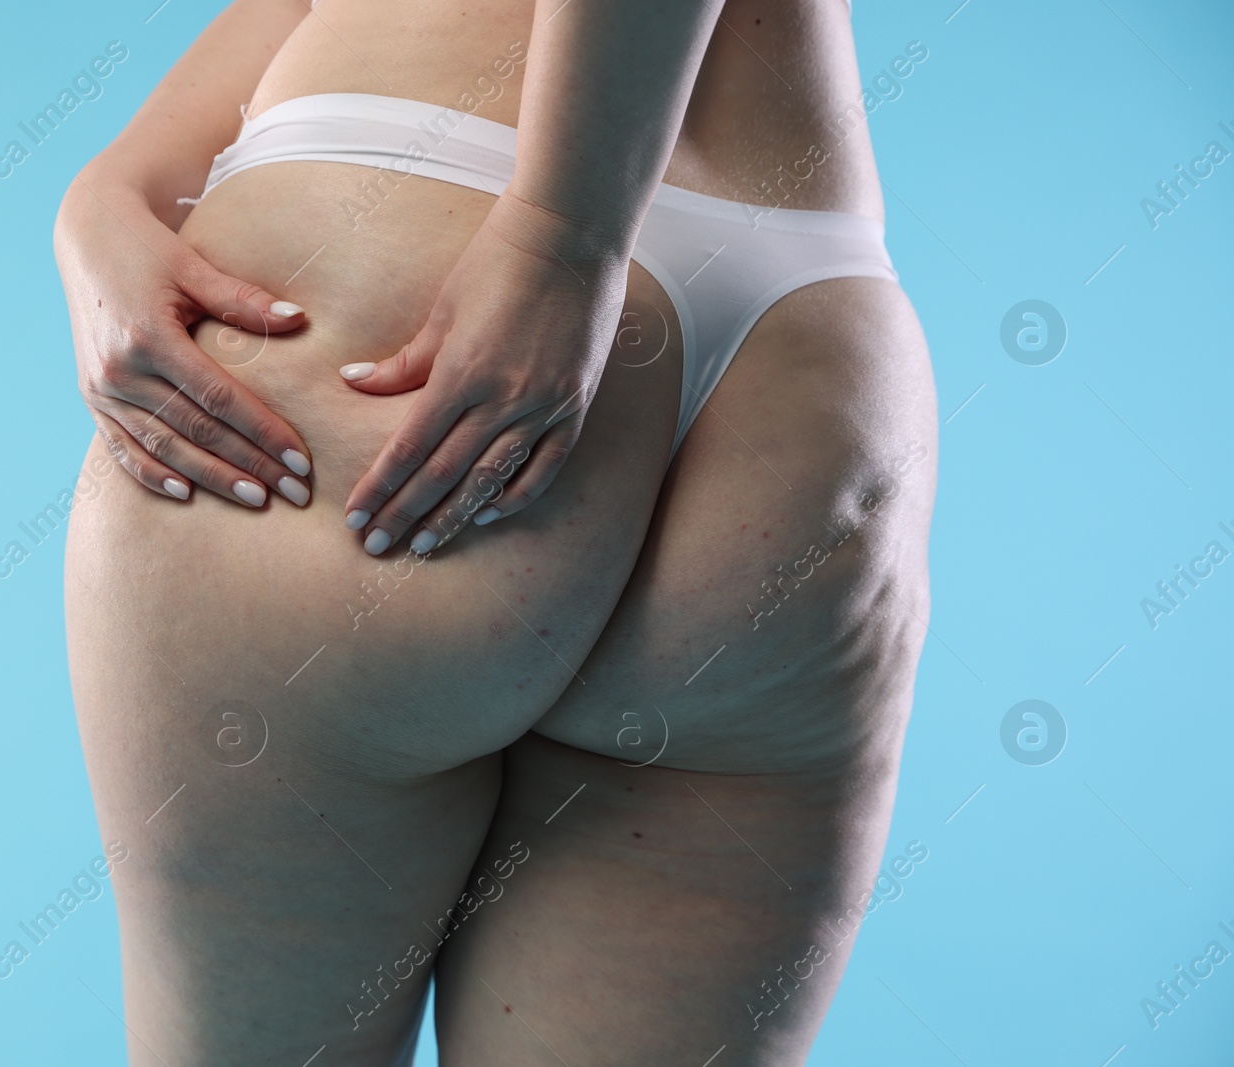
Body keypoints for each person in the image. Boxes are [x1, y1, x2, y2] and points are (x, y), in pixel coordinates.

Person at [55, 0, 937, 1062]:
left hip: (408, 226)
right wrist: (116, 183)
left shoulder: (554, 230)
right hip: (803, 356)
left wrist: (567, 230)